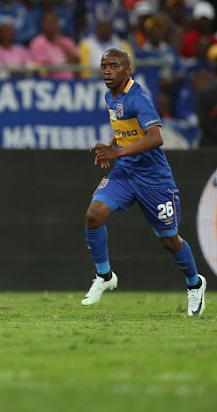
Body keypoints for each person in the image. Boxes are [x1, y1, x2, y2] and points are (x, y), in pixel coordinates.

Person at [82, 48, 206, 316]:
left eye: (114, 65)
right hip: (126, 173)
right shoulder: (111, 94)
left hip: (154, 179)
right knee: (94, 215)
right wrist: (112, 145)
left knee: (169, 240)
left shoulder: (139, 98)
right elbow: (124, 127)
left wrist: (116, 152)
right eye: (104, 65)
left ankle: (195, 284)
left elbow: (155, 138)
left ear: (127, 70)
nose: (107, 70)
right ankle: (104, 277)